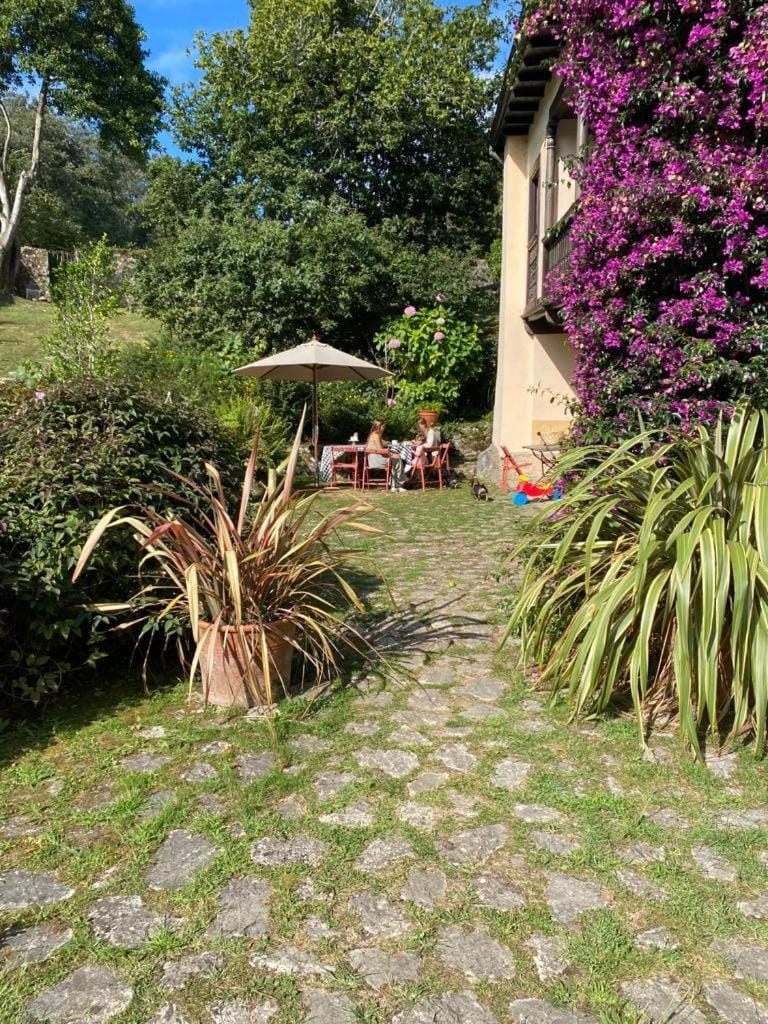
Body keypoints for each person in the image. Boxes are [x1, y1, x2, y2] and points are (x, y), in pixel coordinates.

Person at [366, 419, 407, 491]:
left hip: (373, 459)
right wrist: (391, 454)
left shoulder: (373, 434)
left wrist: (391, 453)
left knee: (395, 459)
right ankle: (398, 485)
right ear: (379, 426)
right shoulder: (376, 435)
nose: (384, 428)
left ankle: (395, 485)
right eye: (383, 426)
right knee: (397, 459)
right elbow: (380, 450)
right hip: (376, 460)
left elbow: (383, 445)